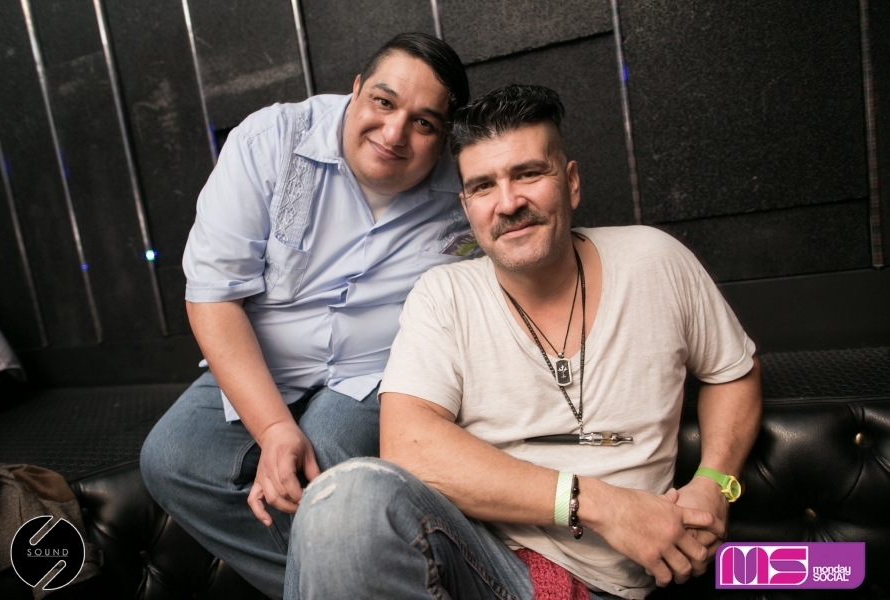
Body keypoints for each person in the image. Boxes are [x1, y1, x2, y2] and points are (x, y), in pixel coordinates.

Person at [290, 84, 762, 600]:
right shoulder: (444, 294)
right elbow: (409, 445)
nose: (509, 203)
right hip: (488, 566)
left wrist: (716, 482)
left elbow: (733, 372)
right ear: (466, 205)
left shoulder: (656, 261)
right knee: (344, 499)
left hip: (617, 584)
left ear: (571, 183)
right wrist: (600, 505)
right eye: (483, 186)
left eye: (529, 174)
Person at [140, 33, 474, 600]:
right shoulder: (270, 141)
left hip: (378, 371)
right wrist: (273, 430)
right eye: (384, 102)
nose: (394, 133)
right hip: (270, 361)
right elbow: (213, 296)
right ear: (356, 90)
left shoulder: (466, 186)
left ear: (443, 139)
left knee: (331, 450)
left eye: (423, 123)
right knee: (171, 458)